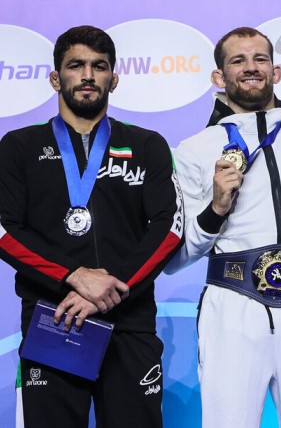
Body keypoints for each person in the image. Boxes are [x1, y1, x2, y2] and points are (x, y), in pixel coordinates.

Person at [0, 25, 184, 428]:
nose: (88, 75)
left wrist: (113, 286)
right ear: (55, 78)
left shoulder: (148, 144)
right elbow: (4, 229)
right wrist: (73, 275)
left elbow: (169, 226)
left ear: (113, 79)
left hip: (130, 322)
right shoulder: (18, 146)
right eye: (76, 65)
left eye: (99, 66)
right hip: (55, 318)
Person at [164, 27, 281, 428]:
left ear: (276, 72)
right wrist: (216, 209)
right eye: (238, 60)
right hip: (234, 309)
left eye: (260, 59)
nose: (250, 68)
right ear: (219, 76)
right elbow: (176, 257)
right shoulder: (194, 149)